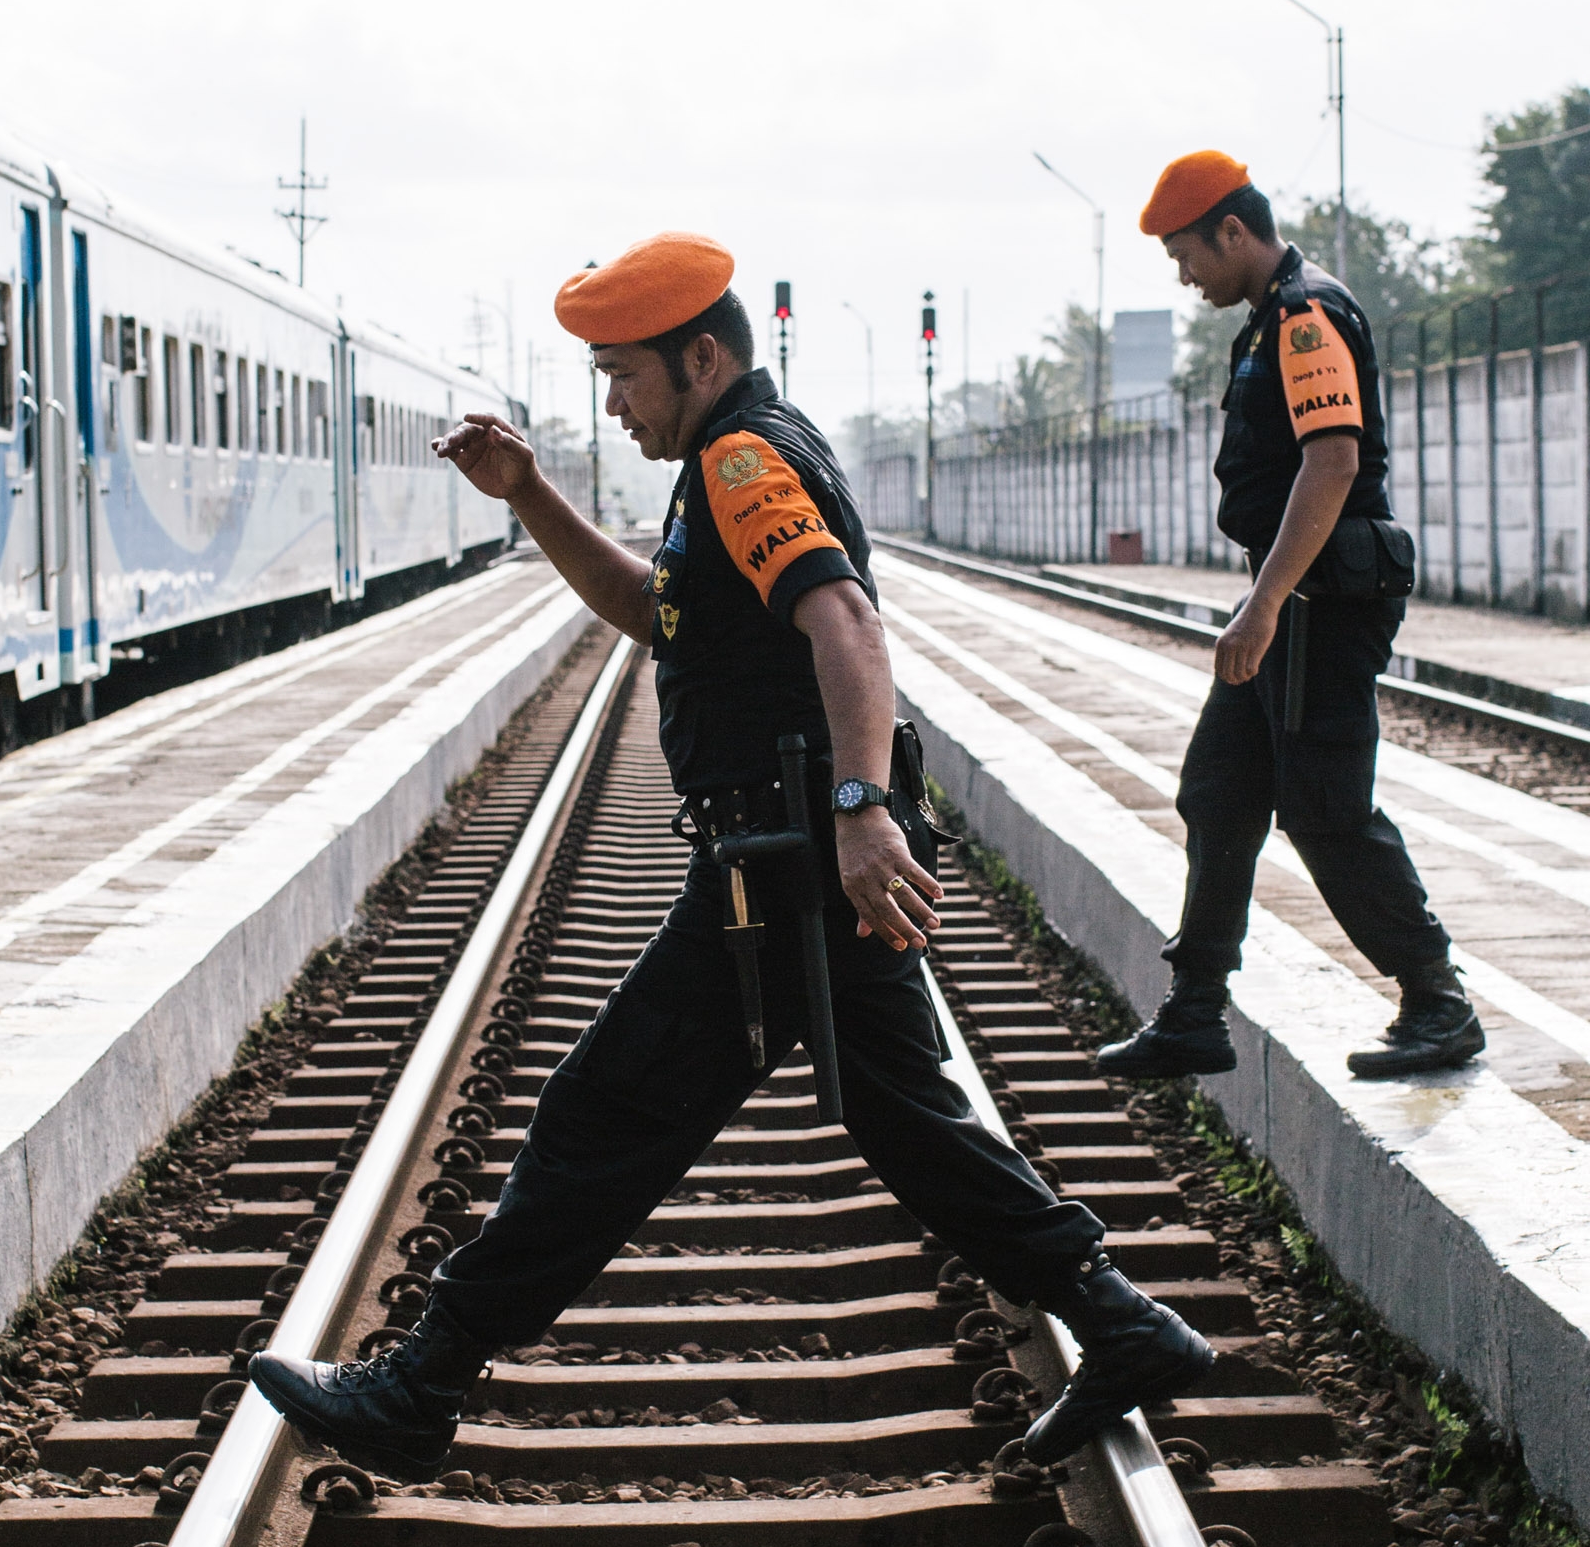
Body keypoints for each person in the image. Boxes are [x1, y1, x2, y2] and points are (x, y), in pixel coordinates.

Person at [251, 230, 1212, 1476]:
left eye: (624, 376)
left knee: (601, 1117)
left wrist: (861, 809)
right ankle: (1122, 1325)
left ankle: (422, 1382)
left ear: (698, 357)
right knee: (904, 1120)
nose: (611, 401)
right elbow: (658, 614)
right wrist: (532, 496)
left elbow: (846, 622)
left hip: (786, 862)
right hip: (785, 854)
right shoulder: (725, 453)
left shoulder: (743, 458)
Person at [1102, 152, 1483, 1086]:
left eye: (1187, 255)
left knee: (1325, 808)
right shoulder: (1270, 320)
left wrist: (1264, 604)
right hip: (1292, 594)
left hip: (1318, 600)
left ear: (1234, 232)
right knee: (1220, 790)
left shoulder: (1305, 319)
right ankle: (1194, 1014)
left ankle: (1437, 1001)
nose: (1185, 276)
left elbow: (1333, 463)